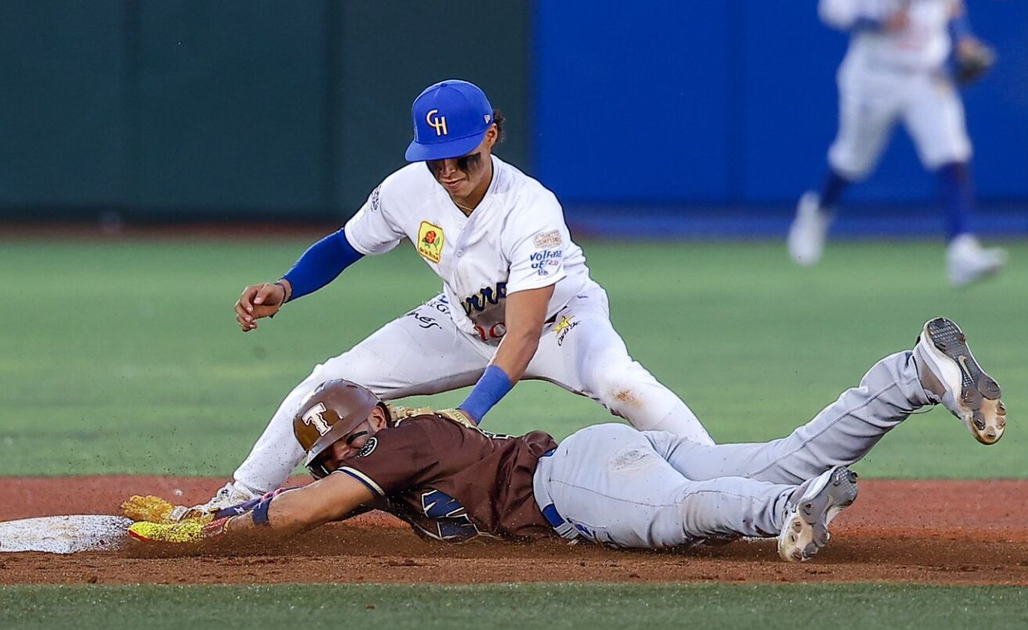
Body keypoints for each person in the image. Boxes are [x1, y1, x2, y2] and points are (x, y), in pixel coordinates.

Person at [177, 79, 715, 520]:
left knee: (625, 386)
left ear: (492, 136)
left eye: (462, 157)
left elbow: (524, 333)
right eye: (437, 161)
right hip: (461, 324)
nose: (449, 172)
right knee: (328, 381)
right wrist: (287, 286)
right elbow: (344, 245)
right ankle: (233, 502)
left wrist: (468, 413)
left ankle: (727, 489)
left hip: (558, 325)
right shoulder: (408, 189)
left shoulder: (530, 210)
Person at [128, 317, 1006, 562]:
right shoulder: (408, 442)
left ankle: (790, 510)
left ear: (362, 435)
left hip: (573, 483)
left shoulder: (389, 449)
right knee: (780, 452)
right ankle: (910, 375)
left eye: (340, 449)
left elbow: (310, 509)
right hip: (592, 456)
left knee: (683, 518)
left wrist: (219, 525)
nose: (344, 462)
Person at [788, 0, 1006, 287]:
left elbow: (952, 7)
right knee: (853, 160)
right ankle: (818, 211)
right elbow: (832, 10)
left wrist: (963, 38)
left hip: (927, 75)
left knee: (952, 155)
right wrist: (878, 22)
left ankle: (962, 252)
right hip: (875, 77)